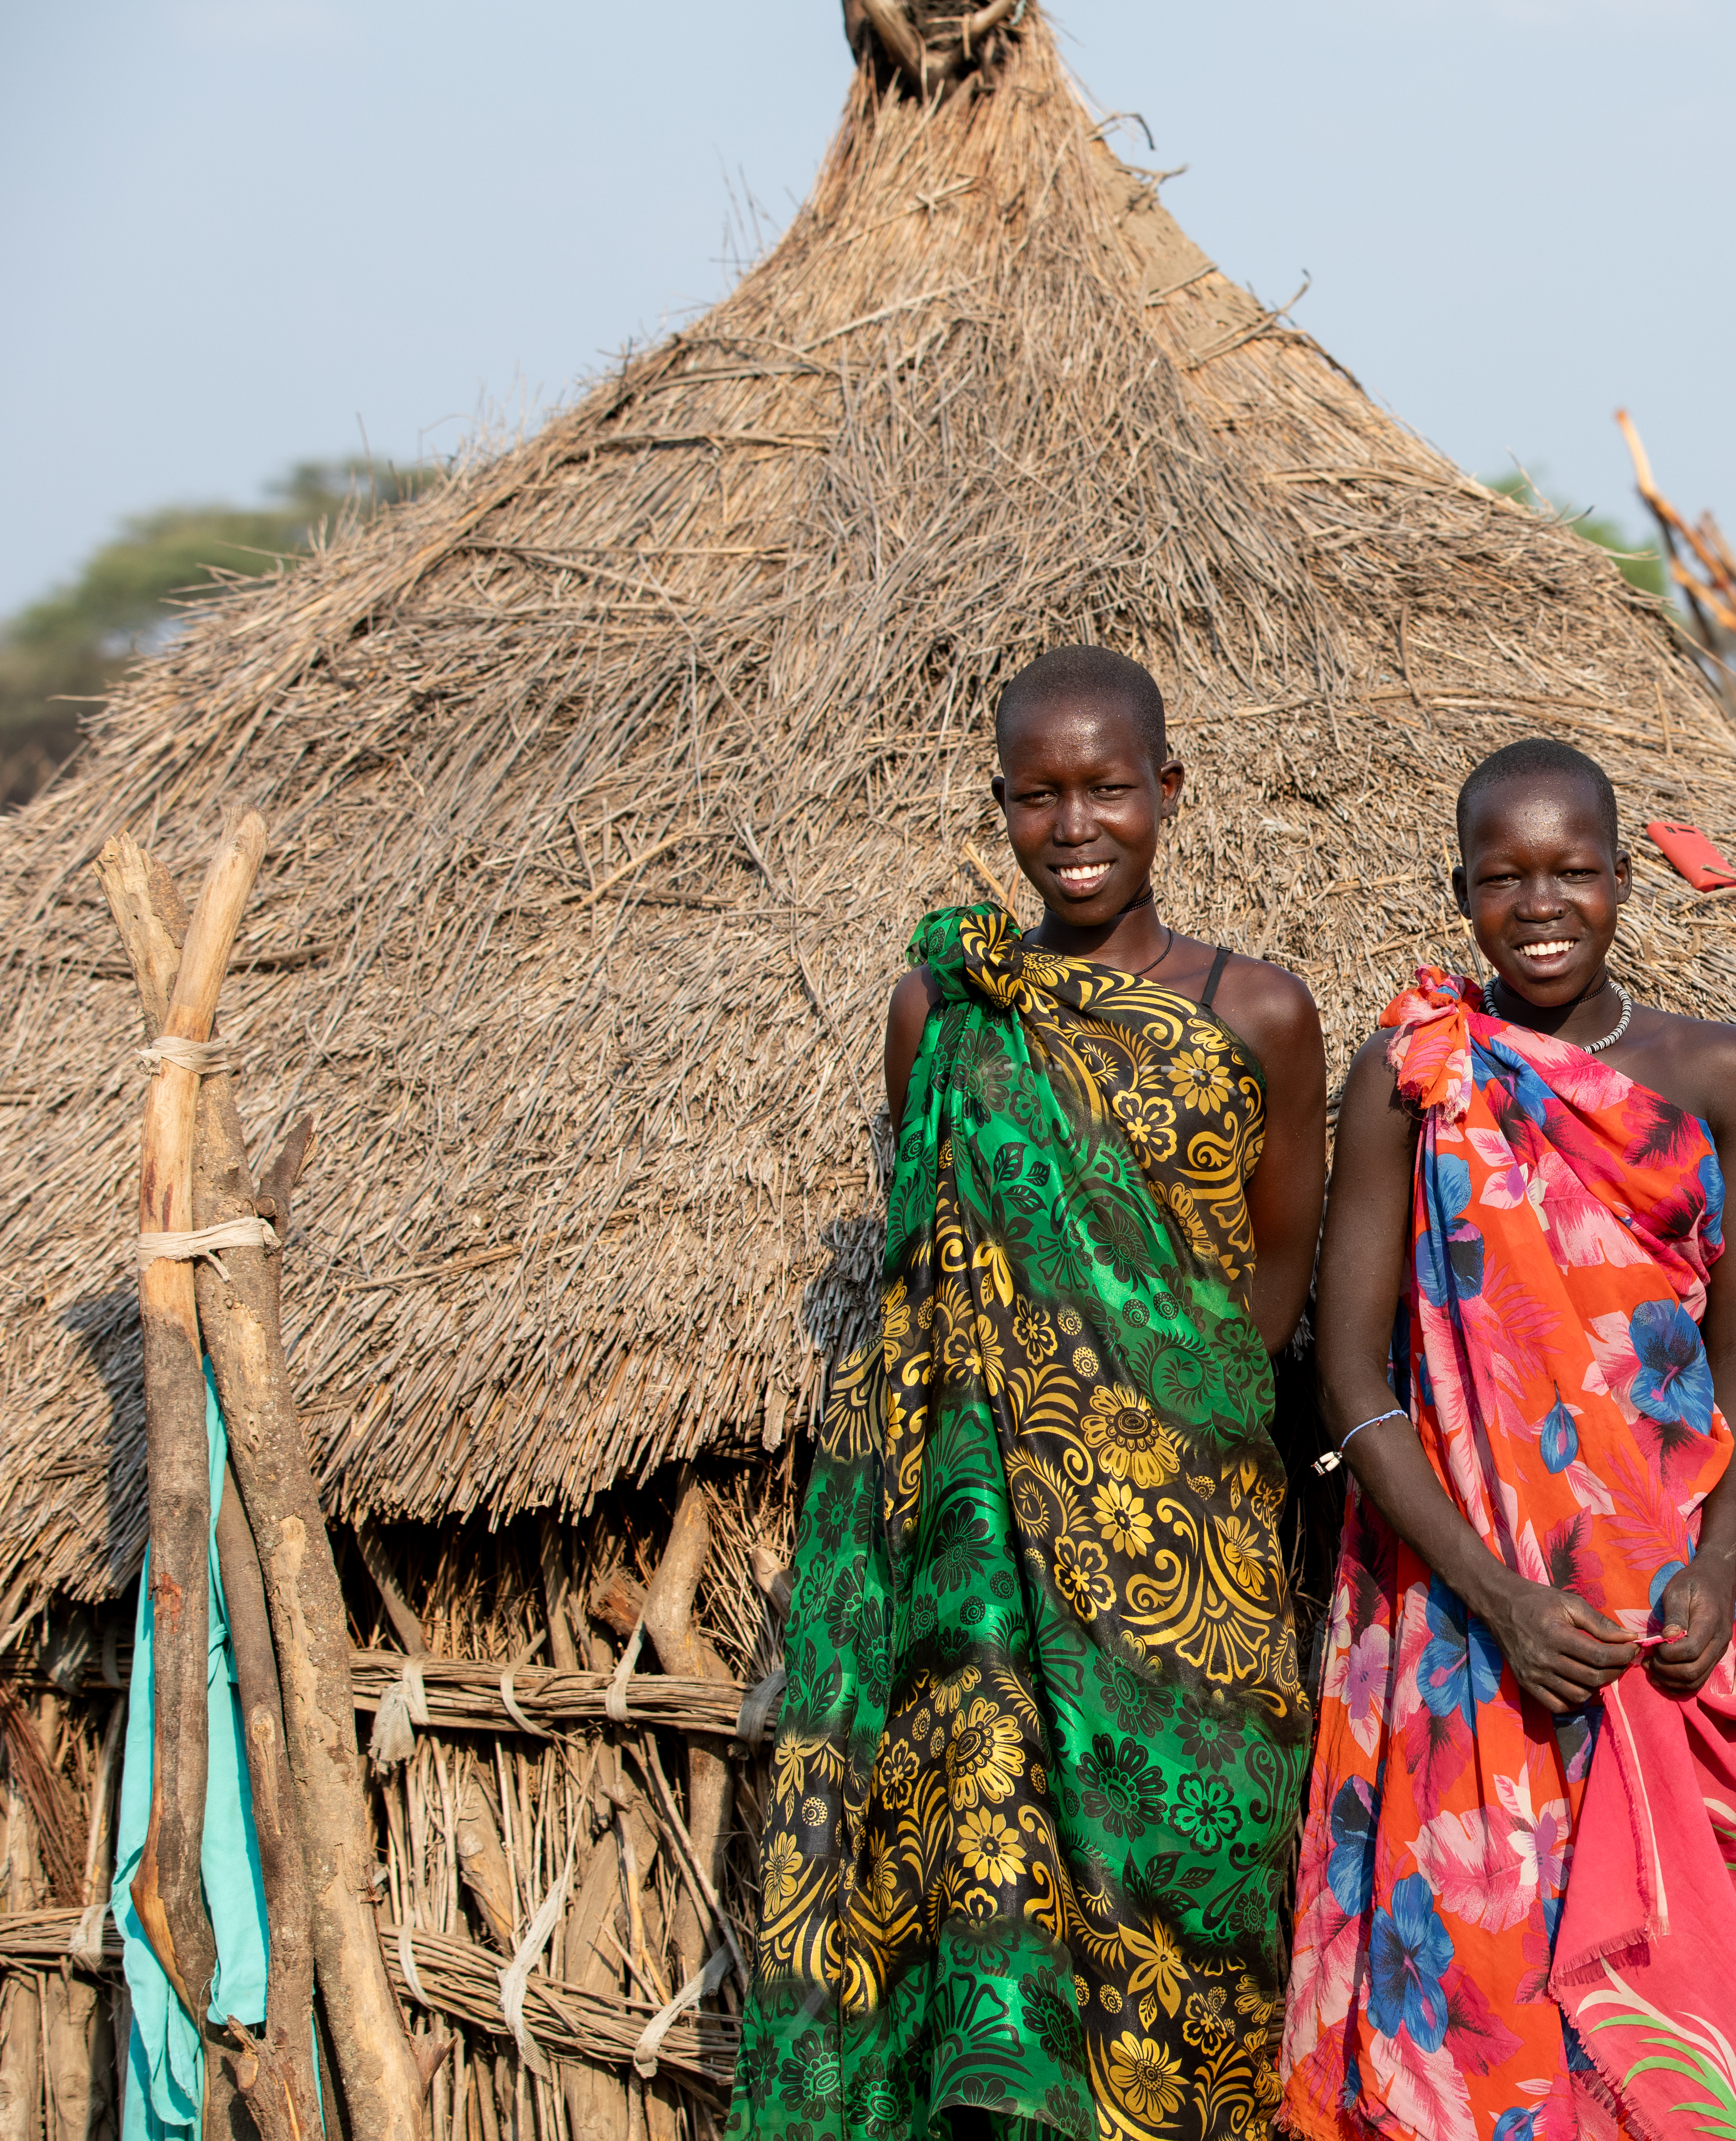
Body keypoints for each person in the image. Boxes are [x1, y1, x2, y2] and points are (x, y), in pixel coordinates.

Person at [734, 645, 1329, 2141]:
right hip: (984, 1558)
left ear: (1169, 793)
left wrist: (1165, 1434)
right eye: (1040, 794)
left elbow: (1274, 1269)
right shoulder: (945, 1008)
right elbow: (953, 1259)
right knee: (991, 1924)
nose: (1076, 826)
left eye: (1109, 788)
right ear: (999, 804)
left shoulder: (1260, 1010)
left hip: (1192, 1554)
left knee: (1194, 1909)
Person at [1280, 738, 1736, 2141]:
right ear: (1461, 892)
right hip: (1465, 1612)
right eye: (1505, 877)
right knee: (1481, 2000)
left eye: (1573, 871)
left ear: (1626, 879)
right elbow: (1349, 1373)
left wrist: (1724, 1563)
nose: (1542, 902)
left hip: (1659, 1609)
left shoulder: (1720, 1075)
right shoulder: (1415, 1074)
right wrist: (1496, 1596)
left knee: (1664, 2016)